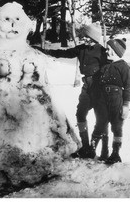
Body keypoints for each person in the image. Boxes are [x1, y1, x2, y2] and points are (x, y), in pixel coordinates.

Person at [40, 22, 108, 159]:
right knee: (80, 114)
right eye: (85, 36)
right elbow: (63, 53)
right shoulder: (81, 48)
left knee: (101, 118)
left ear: (94, 38)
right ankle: (86, 147)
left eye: (88, 37)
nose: (85, 39)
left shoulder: (102, 51)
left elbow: (109, 69)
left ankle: (101, 150)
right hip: (87, 87)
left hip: (99, 88)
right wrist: (44, 51)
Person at [90, 38, 130, 164]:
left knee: (117, 126)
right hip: (102, 99)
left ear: (115, 51)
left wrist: (125, 105)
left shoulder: (124, 67)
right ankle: (91, 150)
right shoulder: (105, 65)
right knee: (100, 124)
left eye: (109, 49)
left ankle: (115, 154)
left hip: (116, 99)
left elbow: (128, 87)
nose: (106, 52)